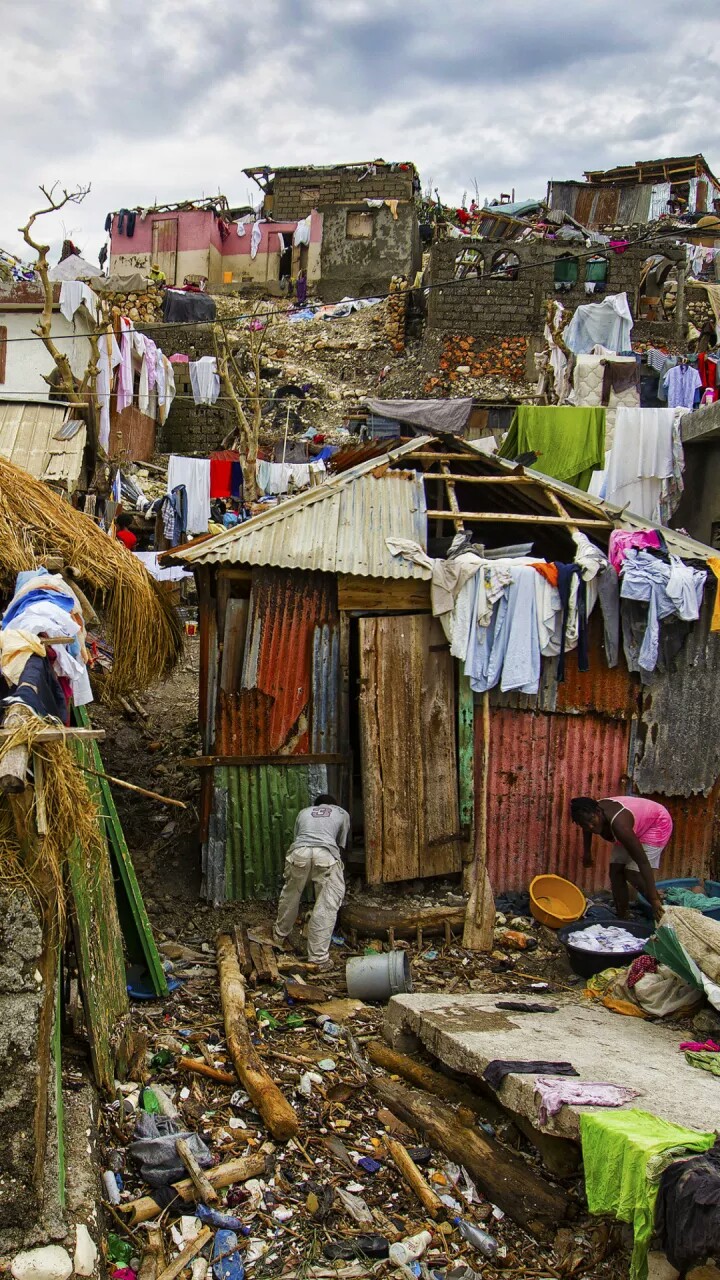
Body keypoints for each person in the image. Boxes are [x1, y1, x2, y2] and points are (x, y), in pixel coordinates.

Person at [273, 794, 350, 968]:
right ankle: (318, 958)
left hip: (299, 853)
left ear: (315, 805)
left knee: (290, 895)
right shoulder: (341, 812)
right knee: (326, 905)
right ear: (333, 805)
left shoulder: (304, 812)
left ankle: (278, 936)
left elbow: (298, 838)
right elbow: (341, 844)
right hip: (326, 856)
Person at [570, 795, 672, 921]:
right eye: (584, 825)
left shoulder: (620, 826)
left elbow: (643, 862)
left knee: (633, 873)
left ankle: (662, 910)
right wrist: (587, 852)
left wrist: (654, 899)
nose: (590, 826)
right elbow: (587, 826)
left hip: (656, 823)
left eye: (592, 821)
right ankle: (623, 915)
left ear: (598, 812)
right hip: (635, 824)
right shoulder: (589, 813)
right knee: (615, 871)